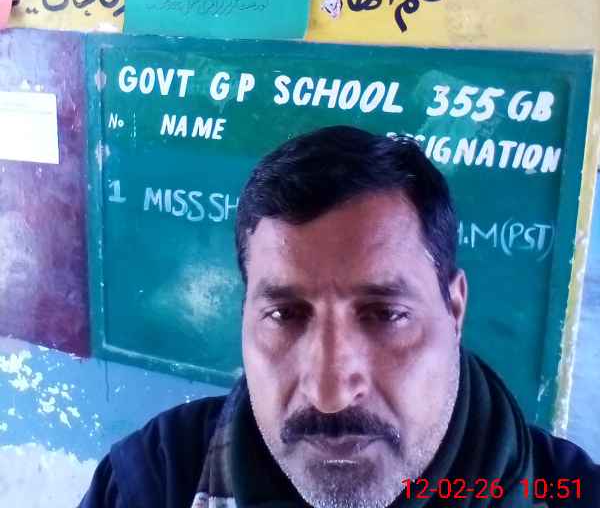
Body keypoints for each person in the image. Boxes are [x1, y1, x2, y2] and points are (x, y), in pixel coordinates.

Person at [79, 126, 599, 507]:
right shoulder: (154, 480)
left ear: (455, 308)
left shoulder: (568, 491)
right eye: (284, 314)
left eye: (385, 314)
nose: (329, 393)